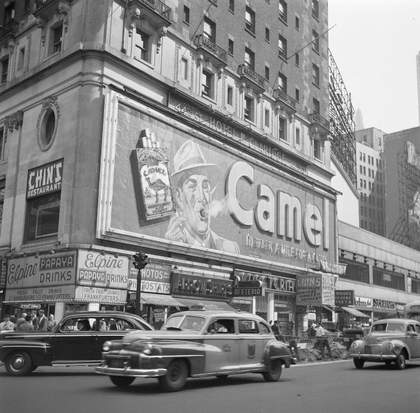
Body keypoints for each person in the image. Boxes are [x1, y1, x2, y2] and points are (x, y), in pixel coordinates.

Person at [165, 140, 240, 254]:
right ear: (179, 197)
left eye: (205, 185)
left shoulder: (230, 248)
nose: (201, 197)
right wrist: (170, 247)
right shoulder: (171, 239)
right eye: (192, 186)